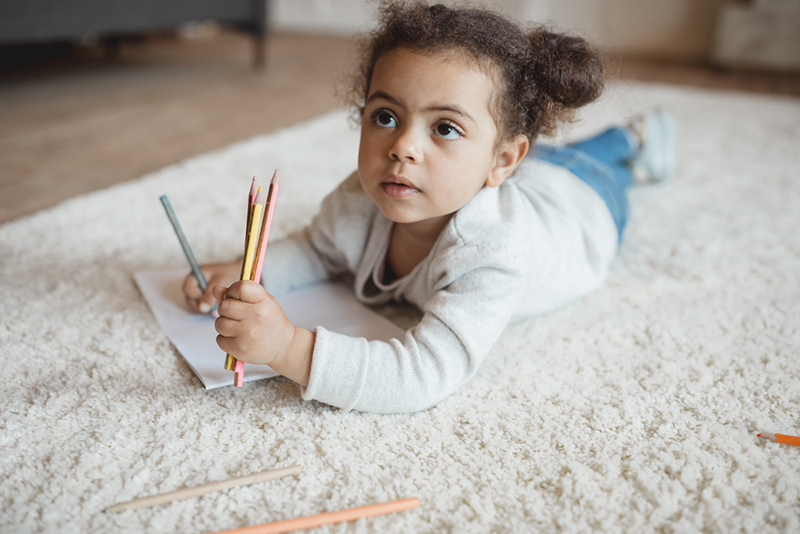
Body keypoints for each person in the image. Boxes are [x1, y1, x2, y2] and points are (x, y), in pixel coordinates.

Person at [182, 1, 677, 413]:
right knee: (538, 152)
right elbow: (317, 250)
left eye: (444, 127)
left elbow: (423, 375)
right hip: (521, 171)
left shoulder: (493, 252)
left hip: (584, 206)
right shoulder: (360, 195)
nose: (402, 147)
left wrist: (287, 347)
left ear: (504, 162)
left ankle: (636, 137)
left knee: (598, 162)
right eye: (385, 116)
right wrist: (254, 272)